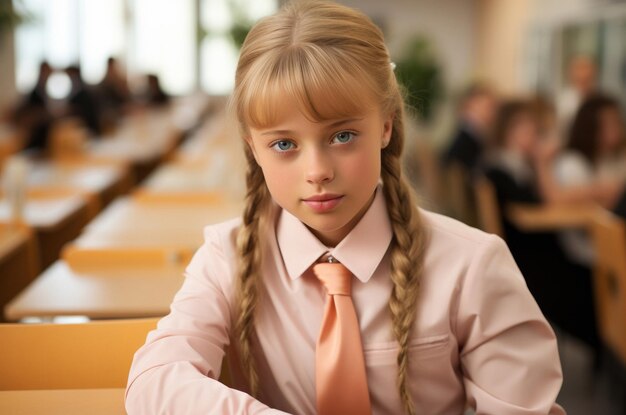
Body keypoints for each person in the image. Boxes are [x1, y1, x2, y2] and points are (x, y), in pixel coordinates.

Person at [125, 2, 564, 414]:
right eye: (283, 144)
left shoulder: (471, 264)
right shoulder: (227, 257)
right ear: (252, 149)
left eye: (342, 136)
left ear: (386, 126)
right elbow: (155, 379)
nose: (317, 171)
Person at [482, 100, 600, 358]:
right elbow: (537, 206)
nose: (534, 137)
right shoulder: (500, 169)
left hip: (529, 256)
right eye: (528, 130)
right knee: (590, 283)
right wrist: (542, 163)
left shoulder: (506, 166)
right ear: (508, 131)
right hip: (531, 265)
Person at [553, 94, 626, 266]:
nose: (616, 128)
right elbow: (577, 205)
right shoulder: (571, 162)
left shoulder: (617, 158)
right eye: (608, 123)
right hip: (586, 245)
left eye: (617, 121)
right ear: (591, 127)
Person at [442, 83, 498, 174]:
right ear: (470, 104)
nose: (493, 112)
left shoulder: (472, 135)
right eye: (488, 106)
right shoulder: (467, 139)